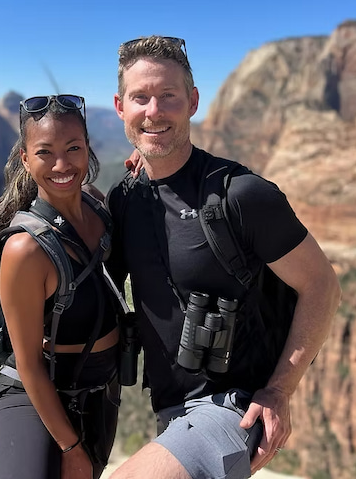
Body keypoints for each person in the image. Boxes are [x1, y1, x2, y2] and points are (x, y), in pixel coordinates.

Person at [106, 36, 342, 479]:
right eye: (141, 98)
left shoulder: (243, 195)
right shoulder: (124, 198)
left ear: (193, 101)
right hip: (171, 412)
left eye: (168, 97)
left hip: (233, 409)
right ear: (121, 107)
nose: (153, 111)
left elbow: (323, 286)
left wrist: (278, 391)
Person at [0, 94, 120, 479]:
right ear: (26, 160)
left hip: (99, 394)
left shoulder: (97, 206)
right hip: (35, 398)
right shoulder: (25, 249)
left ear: (87, 150)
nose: (63, 165)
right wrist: (71, 446)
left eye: (74, 148)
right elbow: (29, 364)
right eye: (45, 152)